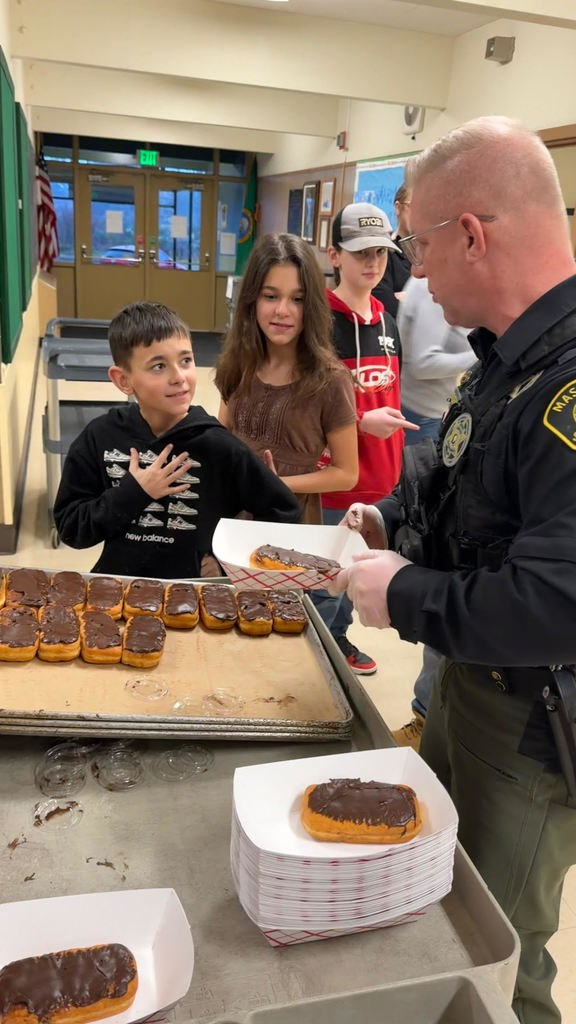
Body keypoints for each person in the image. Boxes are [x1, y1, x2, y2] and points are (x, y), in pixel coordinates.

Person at [330, 116, 576, 1024]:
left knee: (495, 955)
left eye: (420, 246)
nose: (414, 271)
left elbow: (557, 601)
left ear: (470, 233)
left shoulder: (570, 383)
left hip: (533, 722)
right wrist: (388, 518)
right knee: (437, 889)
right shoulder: (507, 359)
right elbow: (459, 479)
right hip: (472, 689)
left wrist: (399, 593)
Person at [54, 301, 300, 577]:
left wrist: (227, 564)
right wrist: (134, 493)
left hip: (196, 598)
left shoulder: (219, 446)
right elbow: (71, 529)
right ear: (124, 380)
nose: (179, 377)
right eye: (158, 366)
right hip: (118, 588)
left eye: (186, 360)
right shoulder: (100, 437)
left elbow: (283, 511)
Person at [313, 203, 418, 674]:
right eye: (359, 253)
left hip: (382, 479)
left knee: (356, 574)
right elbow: (300, 406)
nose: (372, 263)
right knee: (325, 578)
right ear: (334, 255)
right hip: (335, 479)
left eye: (379, 252)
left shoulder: (386, 320)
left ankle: (337, 639)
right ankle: (320, 650)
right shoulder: (317, 323)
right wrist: (359, 421)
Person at [214, 232, 358, 528]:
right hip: (231, 513)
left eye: (297, 299)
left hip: (291, 519)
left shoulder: (330, 379)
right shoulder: (239, 363)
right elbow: (222, 436)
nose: (283, 310)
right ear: (252, 300)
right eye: (270, 296)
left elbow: (346, 473)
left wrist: (277, 483)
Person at [393, 274, 476, 748]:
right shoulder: (429, 287)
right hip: (428, 419)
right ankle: (425, 716)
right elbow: (422, 361)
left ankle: (428, 718)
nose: (417, 268)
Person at [371, 184, 412, 317]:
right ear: (398, 207)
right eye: (413, 207)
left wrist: (409, 297)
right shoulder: (384, 253)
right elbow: (387, 309)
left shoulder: (434, 253)